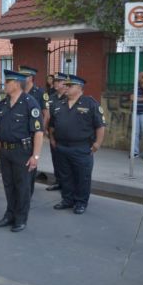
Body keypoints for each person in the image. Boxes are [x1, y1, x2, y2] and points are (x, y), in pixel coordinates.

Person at [0, 70, 43, 232]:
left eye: (7, 82)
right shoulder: (3, 102)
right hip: (6, 151)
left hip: (22, 151)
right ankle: (10, 214)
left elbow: (38, 132)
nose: (4, 85)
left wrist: (35, 156)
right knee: (8, 185)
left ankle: (20, 218)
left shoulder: (30, 102)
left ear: (16, 84)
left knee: (22, 186)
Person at [49, 74, 105, 215]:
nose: (66, 88)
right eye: (65, 85)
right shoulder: (58, 104)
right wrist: (52, 139)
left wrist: (97, 144)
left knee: (82, 176)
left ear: (79, 87)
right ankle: (67, 199)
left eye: (70, 86)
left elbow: (100, 126)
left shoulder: (90, 103)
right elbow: (52, 125)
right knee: (65, 175)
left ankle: (81, 202)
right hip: (62, 146)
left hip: (81, 147)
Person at [19, 65, 49, 195]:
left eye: (24, 76)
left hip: (33, 133)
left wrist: (42, 131)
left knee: (31, 161)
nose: (21, 78)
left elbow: (46, 114)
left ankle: (28, 191)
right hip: (20, 133)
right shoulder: (19, 91)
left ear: (30, 78)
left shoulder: (40, 93)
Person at [45, 73, 68, 191]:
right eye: (55, 81)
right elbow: (48, 116)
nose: (55, 83)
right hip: (53, 134)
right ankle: (58, 181)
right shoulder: (51, 97)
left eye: (59, 81)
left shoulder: (69, 97)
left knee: (65, 161)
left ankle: (67, 184)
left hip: (65, 135)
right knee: (56, 158)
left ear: (65, 83)